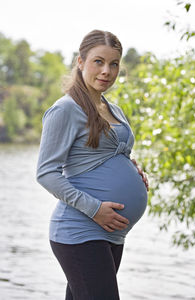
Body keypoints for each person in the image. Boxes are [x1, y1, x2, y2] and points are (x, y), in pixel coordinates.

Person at [36, 29, 148, 300]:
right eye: (98, 61)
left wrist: (134, 170)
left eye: (114, 64)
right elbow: (46, 173)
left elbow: (106, 155)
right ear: (80, 62)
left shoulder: (114, 109)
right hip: (81, 229)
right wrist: (95, 209)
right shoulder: (66, 109)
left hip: (112, 232)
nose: (106, 71)